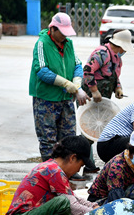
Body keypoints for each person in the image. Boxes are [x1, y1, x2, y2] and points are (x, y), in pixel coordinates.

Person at [29, 12, 96, 177]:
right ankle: (49, 174)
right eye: (62, 32)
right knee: (48, 139)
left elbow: (77, 64)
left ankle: (68, 171)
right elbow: (42, 71)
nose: (65, 36)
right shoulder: (42, 43)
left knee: (68, 137)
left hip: (66, 98)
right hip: (46, 99)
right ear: (52, 29)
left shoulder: (68, 44)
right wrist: (67, 84)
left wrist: (77, 84)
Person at [2, 136, 98, 215]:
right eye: (80, 166)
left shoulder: (52, 167)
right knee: (62, 203)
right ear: (73, 158)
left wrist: (95, 207)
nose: (78, 171)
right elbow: (72, 205)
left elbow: (74, 198)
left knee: (63, 202)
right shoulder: (54, 171)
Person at [87, 129, 134, 204]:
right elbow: (116, 201)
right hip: (104, 199)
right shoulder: (117, 166)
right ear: (132, 150)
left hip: (126, 191)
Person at [82, 29, 132, 102]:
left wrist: (118, 88)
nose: (126, 51)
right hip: (89, 96)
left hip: (103, 97)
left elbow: (113, 76)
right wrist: (94, 90)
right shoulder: (103, 54)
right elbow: (87, 70)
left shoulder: (117, 58)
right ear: (121, 46)